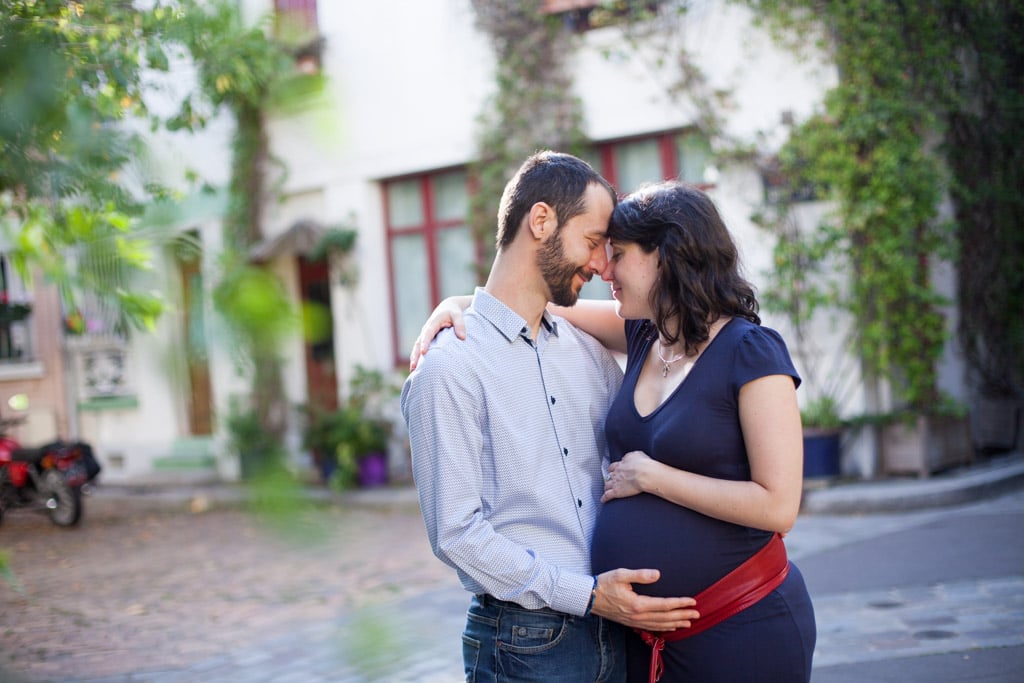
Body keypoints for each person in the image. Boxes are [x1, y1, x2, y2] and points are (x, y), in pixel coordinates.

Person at [414, 180, 816, 682]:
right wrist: (456, 305)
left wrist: (653, 477)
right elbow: (530, 300)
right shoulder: (643, 334)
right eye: (598, 247)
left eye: (618, 253)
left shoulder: (750, 350)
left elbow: (780, 507)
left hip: (737, 623)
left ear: (665, 257)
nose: (605, 268)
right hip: (630, 638)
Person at [401, 153, 699, 683]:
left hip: (622, 631)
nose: (602, 265)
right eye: (592, 242)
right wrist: (585, 596)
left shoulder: (588, 353)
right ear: (541, 222)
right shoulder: (449, 368)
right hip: (528, 644)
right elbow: (457, 535)